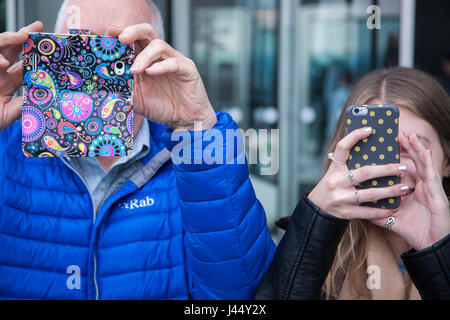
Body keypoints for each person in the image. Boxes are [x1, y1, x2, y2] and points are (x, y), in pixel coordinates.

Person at [0, 0, 276, 300]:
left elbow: (241, 299)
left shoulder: (190, 160)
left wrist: (197, 128)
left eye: (118, 49)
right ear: (50, 53)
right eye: (77, 48)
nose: (95, 66)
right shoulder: (8, 150)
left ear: (153, 59)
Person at [255, 67, 450, 300]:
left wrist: (441, 253)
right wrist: (314, 225)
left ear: (447, 161)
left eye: (413, 148)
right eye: (376, 151)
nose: (393, 171)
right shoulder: (320, 249)